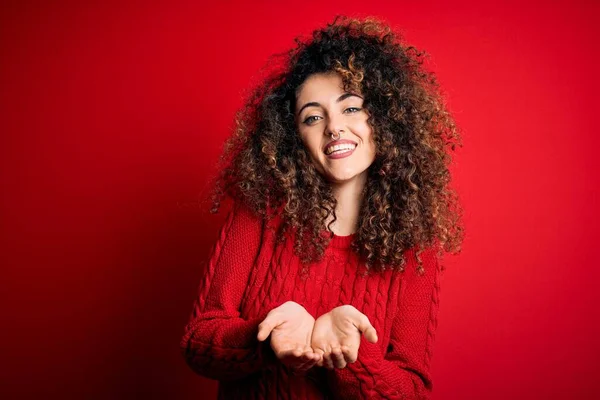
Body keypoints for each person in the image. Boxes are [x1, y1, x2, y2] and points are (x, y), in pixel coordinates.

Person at [180, 15, 463, 399]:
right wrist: (266, 336)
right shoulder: (260, 212)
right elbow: (199, 342)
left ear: (385, 117)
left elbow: (411, 389)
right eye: (313, 117)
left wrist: (353, 355)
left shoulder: (414, 245)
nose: (333, 127)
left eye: (350, 109)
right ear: (294, 137)